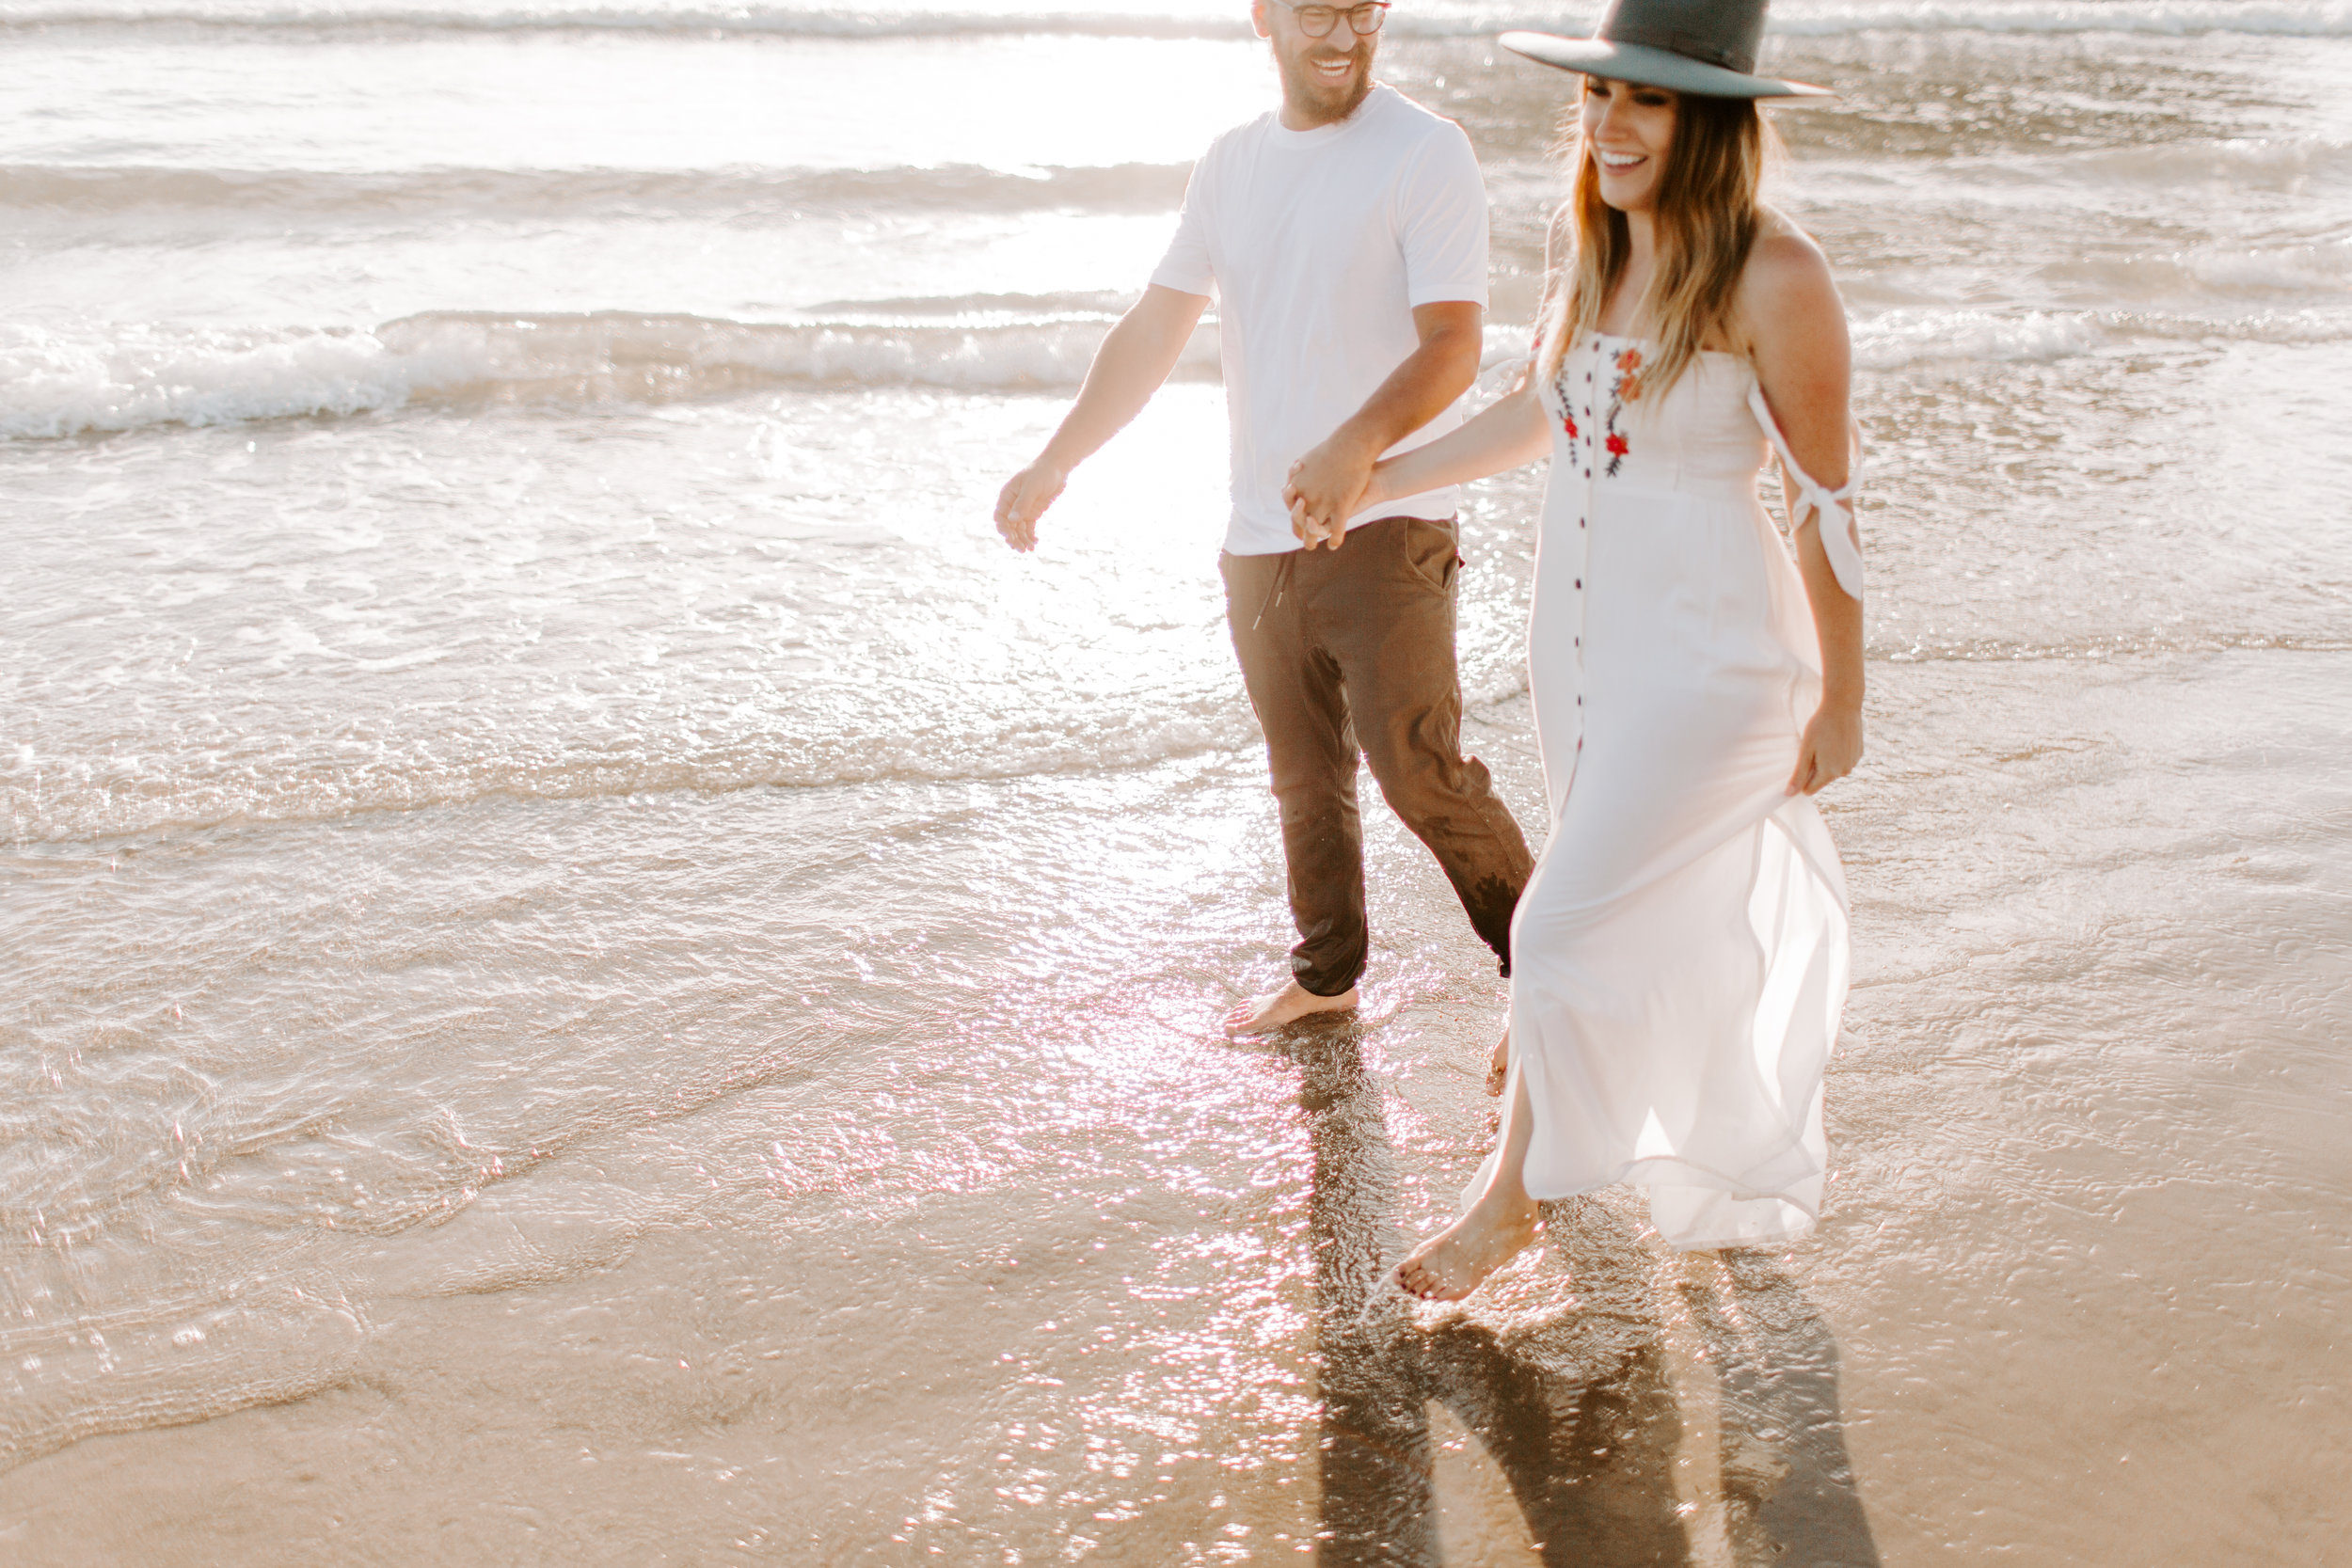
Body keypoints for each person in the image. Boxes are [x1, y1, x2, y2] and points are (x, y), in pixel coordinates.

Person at [1319, 0, 1866, 1300]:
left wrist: (1843, 696)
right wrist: (1370, 474)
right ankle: (1584, 1090)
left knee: (1557, 928)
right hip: (1581, 647)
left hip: (1712, 662)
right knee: (1617, 915)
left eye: (1650, 100)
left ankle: (1511, 1202)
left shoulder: (1777, 276)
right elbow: (1538, 420)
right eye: (1599, 97)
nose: (1610, 125)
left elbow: (1824, 504)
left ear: (1716, 119)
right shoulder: (1596, 244)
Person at [995, 0, 1534, 1038]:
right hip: (1256, 539)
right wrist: (1057, 457)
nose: (1343, 33)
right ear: (1263, 17)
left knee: (1418, 771)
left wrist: (1355, 446)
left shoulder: (1426, 150)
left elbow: (1453, 347)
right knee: (1304, 780)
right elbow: (1156, 324)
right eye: (1317, 10)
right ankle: (1326, 977)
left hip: (1387, 524)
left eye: (1364, 8)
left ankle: (1552, 975)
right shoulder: (1229, 162)